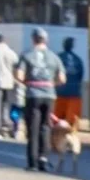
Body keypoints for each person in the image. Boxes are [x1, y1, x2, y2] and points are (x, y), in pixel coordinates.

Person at [15, 27, 65, 171]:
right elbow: (62, 78)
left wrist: (28, 82)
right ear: (46, 40)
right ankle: (44, 158)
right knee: (45, 127)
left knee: (33, 128)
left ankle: (33, 162)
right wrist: (51, 84)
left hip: (33, 95)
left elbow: (19, 75)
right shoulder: (54, 57)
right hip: (49, 95)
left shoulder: (27, 55)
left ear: (33, 39)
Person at [55, 36, 85, 133]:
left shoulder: (57, 58)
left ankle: (56, 141)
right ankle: (72, 140)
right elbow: (80, 76)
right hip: (74, 93)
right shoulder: (78, 60)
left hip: (59, 93)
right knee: (72, 122)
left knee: (57, 120)